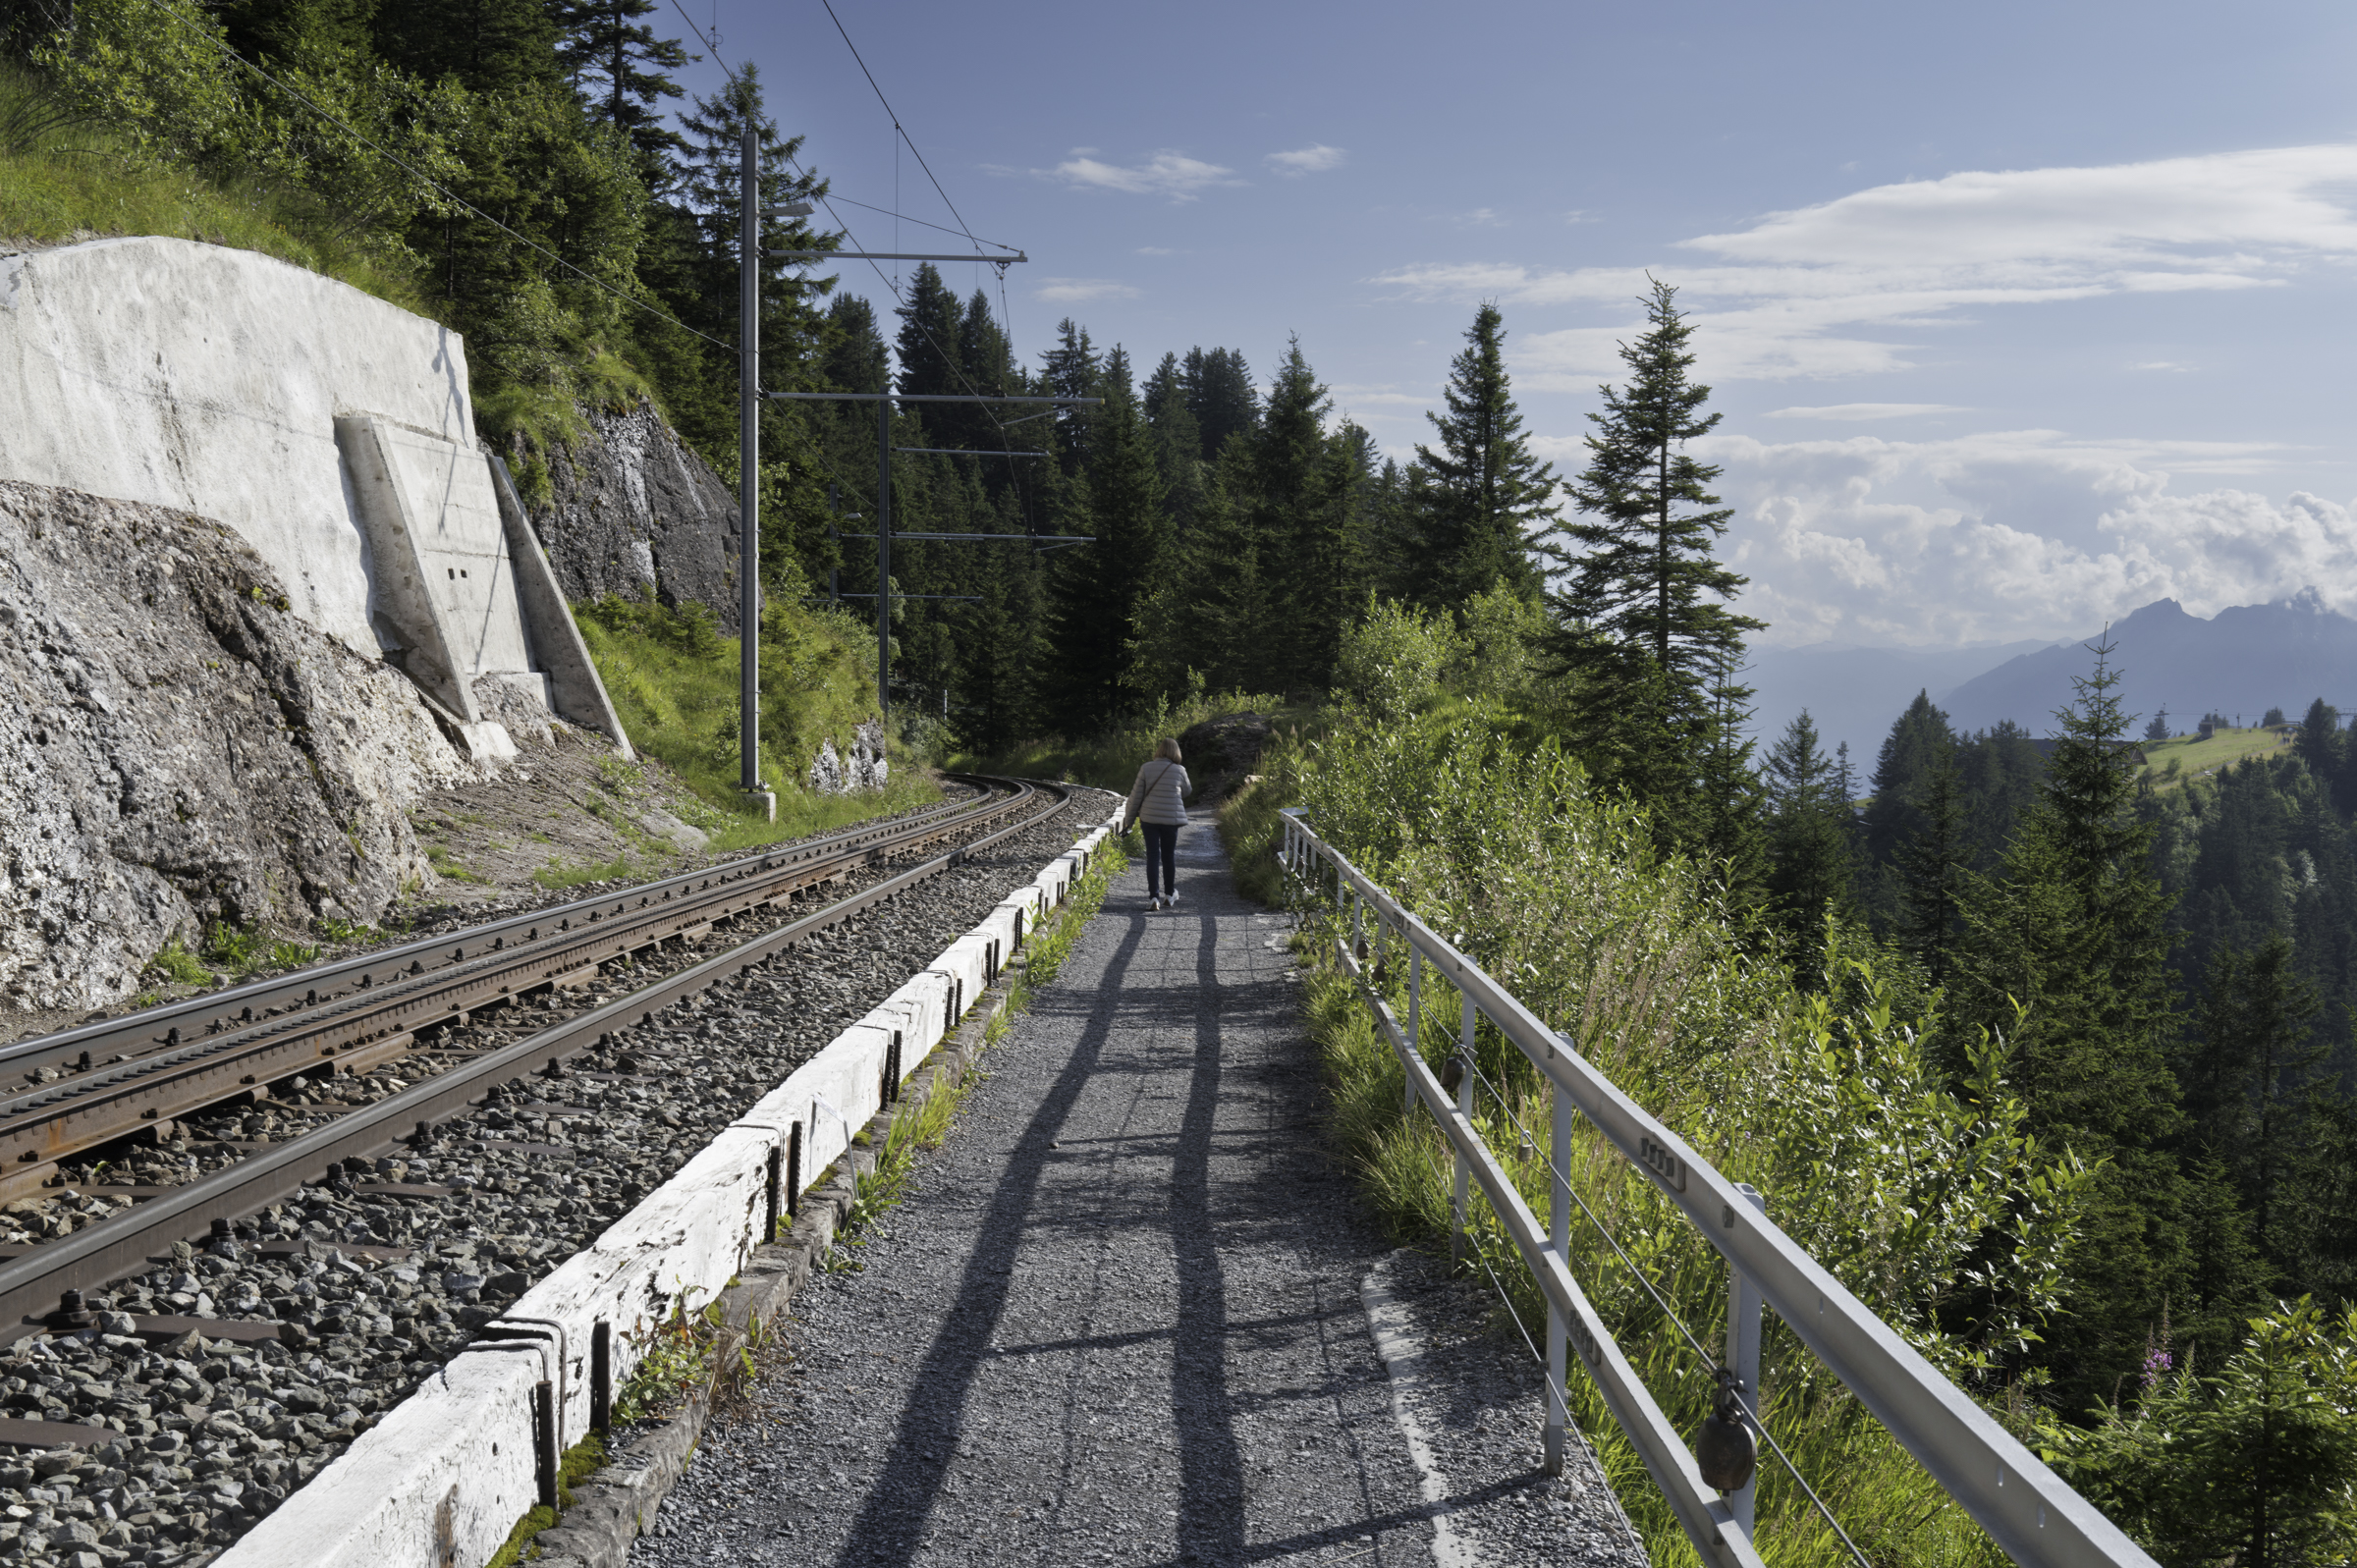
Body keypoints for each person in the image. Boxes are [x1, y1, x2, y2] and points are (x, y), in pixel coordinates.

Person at [1121, 737, 1191, 910]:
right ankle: (1169, 894)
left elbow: (1136, 796)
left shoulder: (1146, 768)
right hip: (1170, 820)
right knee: (1168, 856)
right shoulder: (1180, 770)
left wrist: (1129, 822)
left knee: (1152, 856)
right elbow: (1188, 791)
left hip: (1149, 819)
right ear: (1176, 752)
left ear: (1159, 750)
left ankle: (1153, 897)